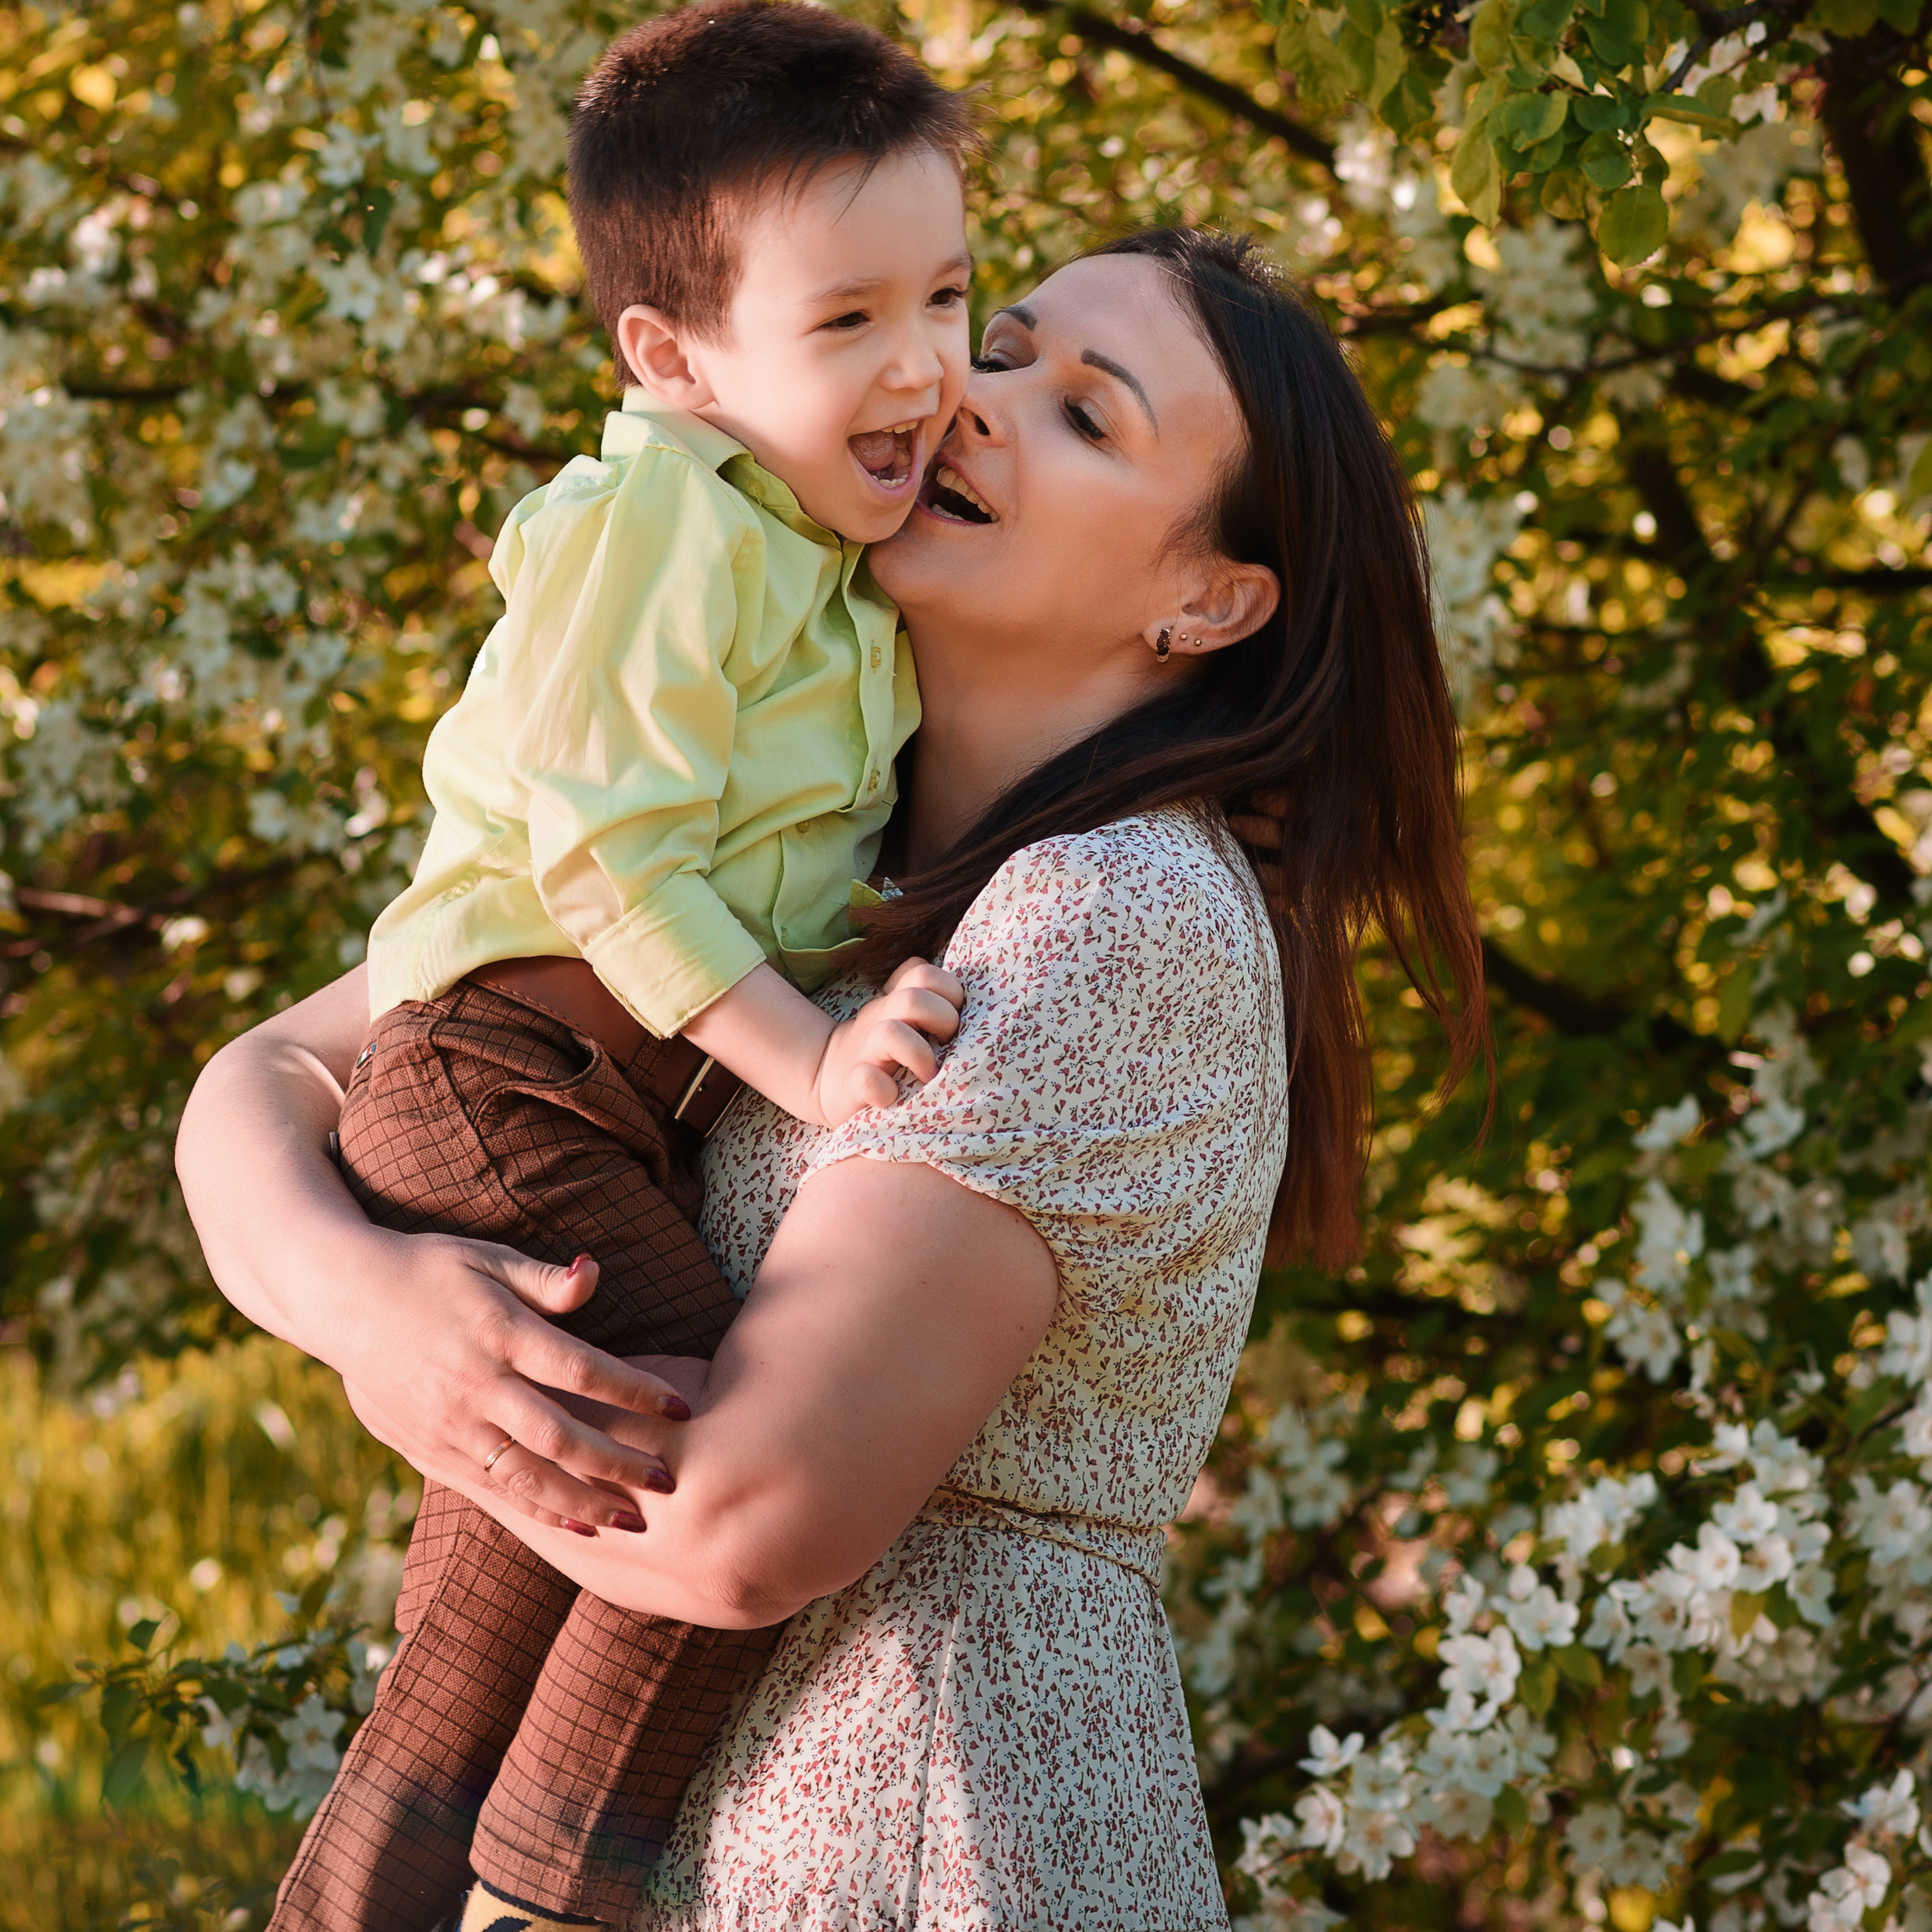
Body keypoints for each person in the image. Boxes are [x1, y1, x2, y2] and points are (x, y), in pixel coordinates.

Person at [178, 228, 1489, 1929]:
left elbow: (737, 1515)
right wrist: (375, 1306)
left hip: (909, 1820)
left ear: (1208, 599)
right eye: (1000, 348)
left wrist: (413, 1385)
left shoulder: (1111, 909)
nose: (978, 402)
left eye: (1087, 414)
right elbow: (273, 1068)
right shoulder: (798, 859)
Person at [281, 5, 980, 1926]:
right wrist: (815, 1062)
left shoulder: (831, 568)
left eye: (946, 292)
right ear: (671, 361)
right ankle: (537, 1894)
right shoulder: (659, 518)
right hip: (502, 1066)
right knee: (678, 1423)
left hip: (581, 1095)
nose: (922, 361)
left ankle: (425, 1894)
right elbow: (606, 851)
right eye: (844, 321)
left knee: (508, 1558)